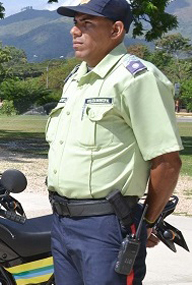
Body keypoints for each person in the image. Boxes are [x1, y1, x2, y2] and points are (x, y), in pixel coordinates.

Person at [46, 1, 183, 284]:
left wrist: (145, 224)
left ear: (116, 30)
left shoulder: (135, 78)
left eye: (87, 24)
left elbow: (166, 162)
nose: (74, 32)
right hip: (61, 222)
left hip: (105, 226)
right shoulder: (76, 78)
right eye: (75, 24)